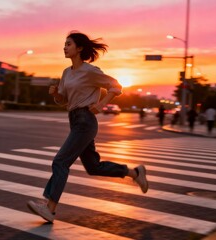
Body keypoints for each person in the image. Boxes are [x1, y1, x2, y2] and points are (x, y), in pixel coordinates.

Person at [26, 31, 149, 223]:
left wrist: (101, 104)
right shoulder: (67, 73)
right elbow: (65, 101)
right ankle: (135, 173)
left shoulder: (90, 71)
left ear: (80, 48)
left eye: (68, 44)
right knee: (93, 167)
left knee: (60, 162)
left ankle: (50, 208)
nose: (64, 47)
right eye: (64, 44)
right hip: (74, 119)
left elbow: (116, 86)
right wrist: (56, 95)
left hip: (86, 121)